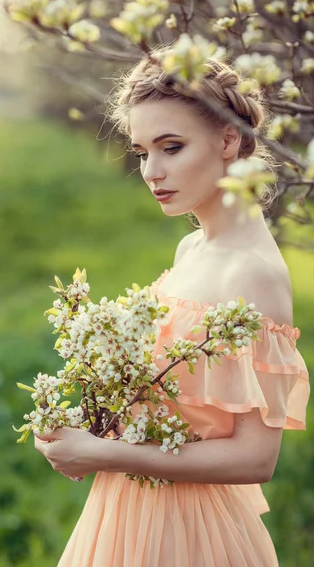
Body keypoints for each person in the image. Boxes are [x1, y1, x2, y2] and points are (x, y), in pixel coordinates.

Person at [34, 49, 311, 566]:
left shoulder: (253, 273)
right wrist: (90, 427)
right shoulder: (193, 248)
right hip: (125, 511)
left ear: (229, 139)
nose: (151, 171)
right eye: (141, 152)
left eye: (171, 147)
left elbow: (256, 457)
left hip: (190, 530)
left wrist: (103, 454)